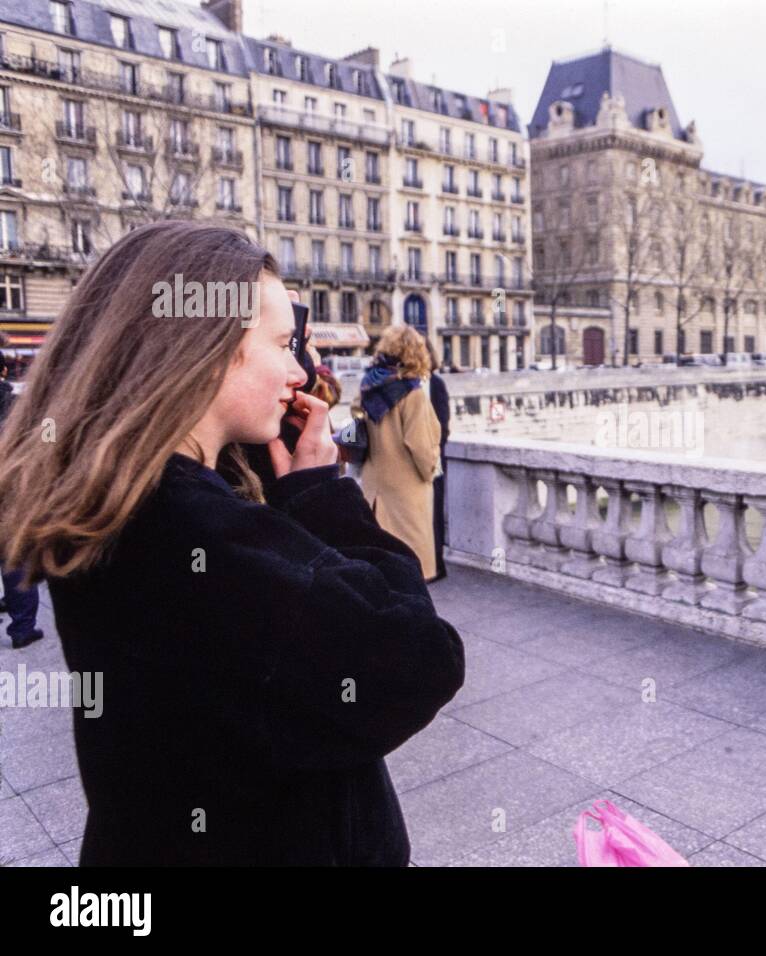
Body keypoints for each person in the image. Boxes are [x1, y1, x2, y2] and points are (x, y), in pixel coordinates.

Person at [0, 221, 464, 865]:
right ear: (207, 349)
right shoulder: (193, 530)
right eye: (284, 342)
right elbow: (420, 660)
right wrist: (321, 497)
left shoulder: (120, 498)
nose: (300, 369)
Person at [354, 327, 442, 582]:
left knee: (383, 562)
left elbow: (356, 416)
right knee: (412, 564)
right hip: (407, 490)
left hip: (375, 482)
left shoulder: (369, 385)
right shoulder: (412, 394)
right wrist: (430, 471)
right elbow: (419, 445)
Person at [0, 340, 45, 648]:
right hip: (8, 489)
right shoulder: (16, 406)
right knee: (14, 555)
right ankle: (21, 628)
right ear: (4, 371)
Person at [423, 335, 451, 582]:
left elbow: (442, 427)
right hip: (420, 463)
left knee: (435, 513)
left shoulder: (436, 384)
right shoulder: (403, 386)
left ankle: (436, 564)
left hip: (433, 462)